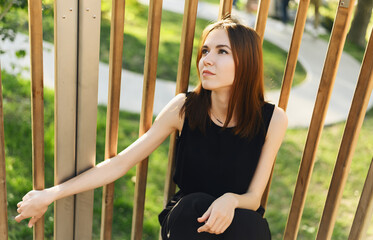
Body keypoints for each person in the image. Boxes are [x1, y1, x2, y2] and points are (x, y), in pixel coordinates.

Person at [15, 16, 287, 239]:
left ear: (246, 62)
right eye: (205, 50)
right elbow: (120, 163)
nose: (207, 60)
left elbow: (253, 199)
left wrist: (231, 200)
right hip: (186, 224)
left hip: (237, 225)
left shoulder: (272, 120)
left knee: (251, 227)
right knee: (193, 205)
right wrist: (50, 194)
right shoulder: (185, 108)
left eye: (222, 52)